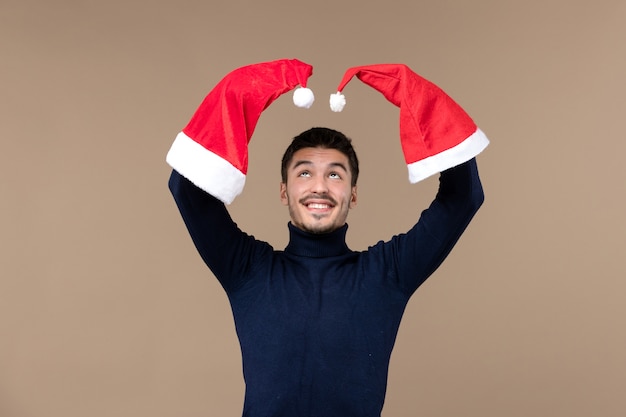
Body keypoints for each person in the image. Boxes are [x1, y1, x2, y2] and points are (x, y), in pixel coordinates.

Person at [167, 60, 488, 417]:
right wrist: (242, 91)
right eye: (304, 172)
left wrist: (420, 98)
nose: (319, 186)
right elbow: (187, 189)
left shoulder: (386, 274)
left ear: (352, 194)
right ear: (284, 191)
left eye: (335, 175)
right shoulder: (248, 269)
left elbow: (463, 197)